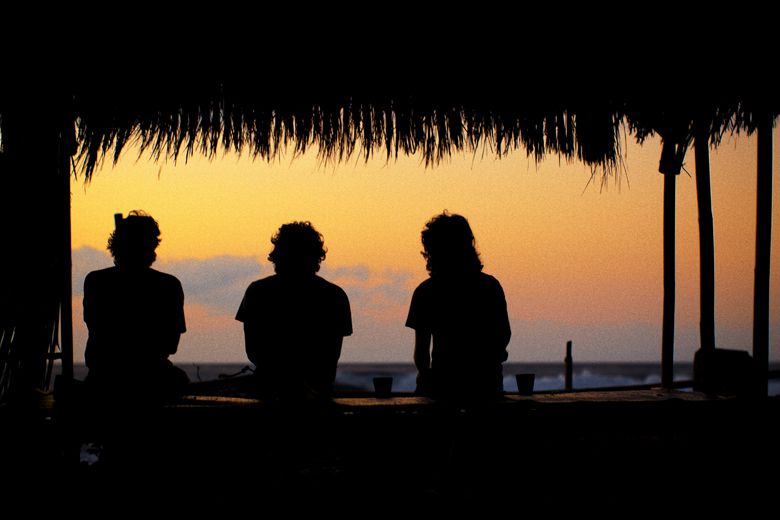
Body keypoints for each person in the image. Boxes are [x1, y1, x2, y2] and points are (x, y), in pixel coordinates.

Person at [236, 221, 352, 404]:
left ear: (278, 255)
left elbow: (254, 351)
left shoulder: (258, 292)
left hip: (271, 393)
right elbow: (329, 358)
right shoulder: (334, 295)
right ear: (316, 257)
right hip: (315, 396)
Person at [83, 211, 189, 403]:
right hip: (147, 380)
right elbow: (170, 344)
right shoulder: (168, 285)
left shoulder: (96, 281)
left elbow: (100, 333)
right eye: (150, 245)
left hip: (104, 379)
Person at [406, 211, 511, 402]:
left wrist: (426, 378)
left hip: (443, 386)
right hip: (486, 385)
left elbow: (421, 353)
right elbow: (502, 336)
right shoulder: (490, 287)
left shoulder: (426, 292)